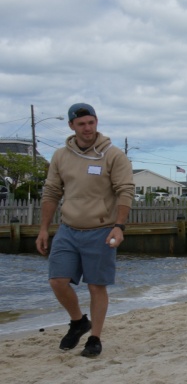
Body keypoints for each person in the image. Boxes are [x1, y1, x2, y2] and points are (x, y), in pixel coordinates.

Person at [35, 103, 134, 358]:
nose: (87, 128)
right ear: (71, 126)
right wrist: (43, 229)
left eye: (91, 122)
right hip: (68, 229)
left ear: (96, 122)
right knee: (57, 281)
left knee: (96, 286)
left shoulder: (113, 155)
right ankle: (78, 321)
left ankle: (94, 337)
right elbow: (51, 192)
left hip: (101, 230)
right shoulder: (60, 156)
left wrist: (119, 226)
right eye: (81, 124)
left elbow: (125, 190)